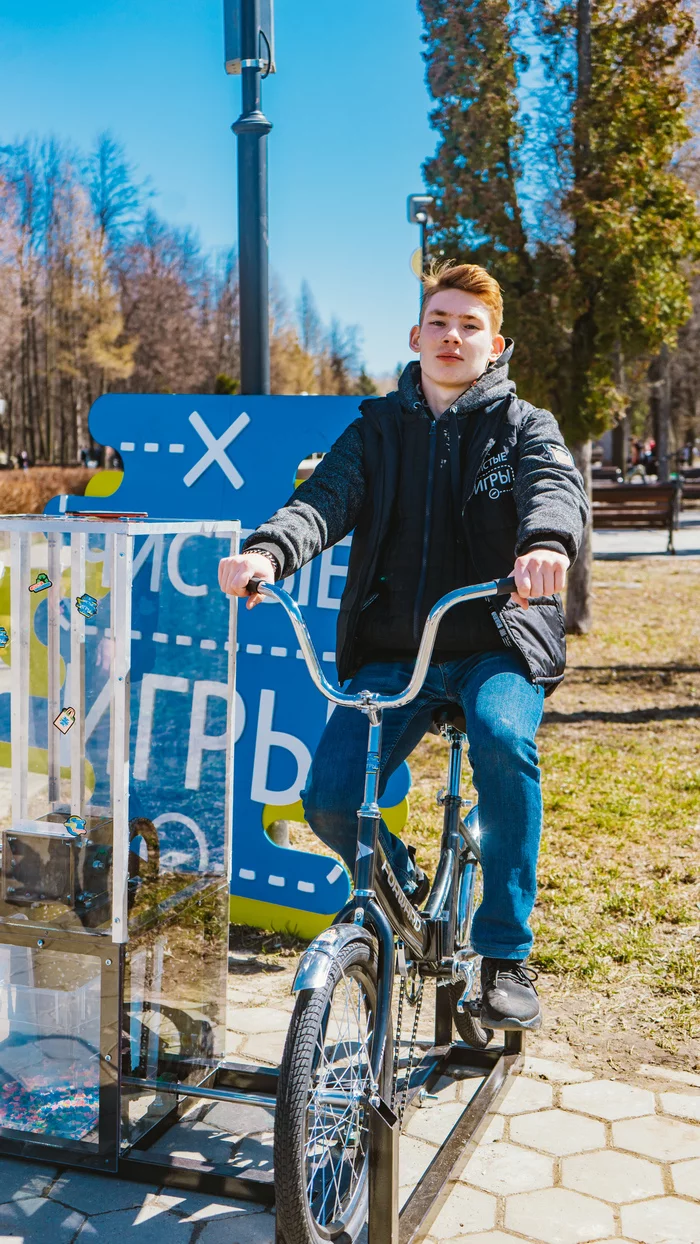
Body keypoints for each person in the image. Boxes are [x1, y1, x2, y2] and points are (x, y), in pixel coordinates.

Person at [219, 261, 589, 1032]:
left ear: (496, 345)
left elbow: (554, 489)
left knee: (500, 735)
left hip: (497, 638)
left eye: (471, 326)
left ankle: (503, 952)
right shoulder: (376, 432)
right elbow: (323, 502)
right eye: (441, 322)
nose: (453, 337)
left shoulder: (525, 426)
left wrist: (547, 542)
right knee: (325, 797)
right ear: (417, 336)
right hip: (396, 650)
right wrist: (267, 553)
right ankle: (406, 871)